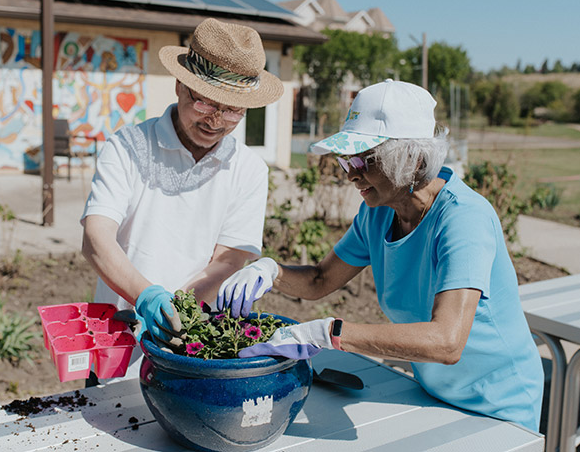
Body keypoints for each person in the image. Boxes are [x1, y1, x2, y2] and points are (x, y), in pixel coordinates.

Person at [216, 80, 544, 431]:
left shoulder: (464, 218)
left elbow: (447, 342)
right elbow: (319, 280)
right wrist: (271, 270)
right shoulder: (379, 212)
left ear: (414, 158)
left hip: (498, 405)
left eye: (365, 159)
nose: (352, 174)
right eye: (346, 160)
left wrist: (329, 332)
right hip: (434, 393)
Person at [81, 18, 283, 376]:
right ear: (180, 85)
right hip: (120, 338)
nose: (216, 121)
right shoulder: (127, 147)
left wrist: (176, 311)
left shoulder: (249, 168)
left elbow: (230, 258)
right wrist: (145, 296)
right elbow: (96, 239)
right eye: (205, 103)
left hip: (190, 347)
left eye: (233, 109)